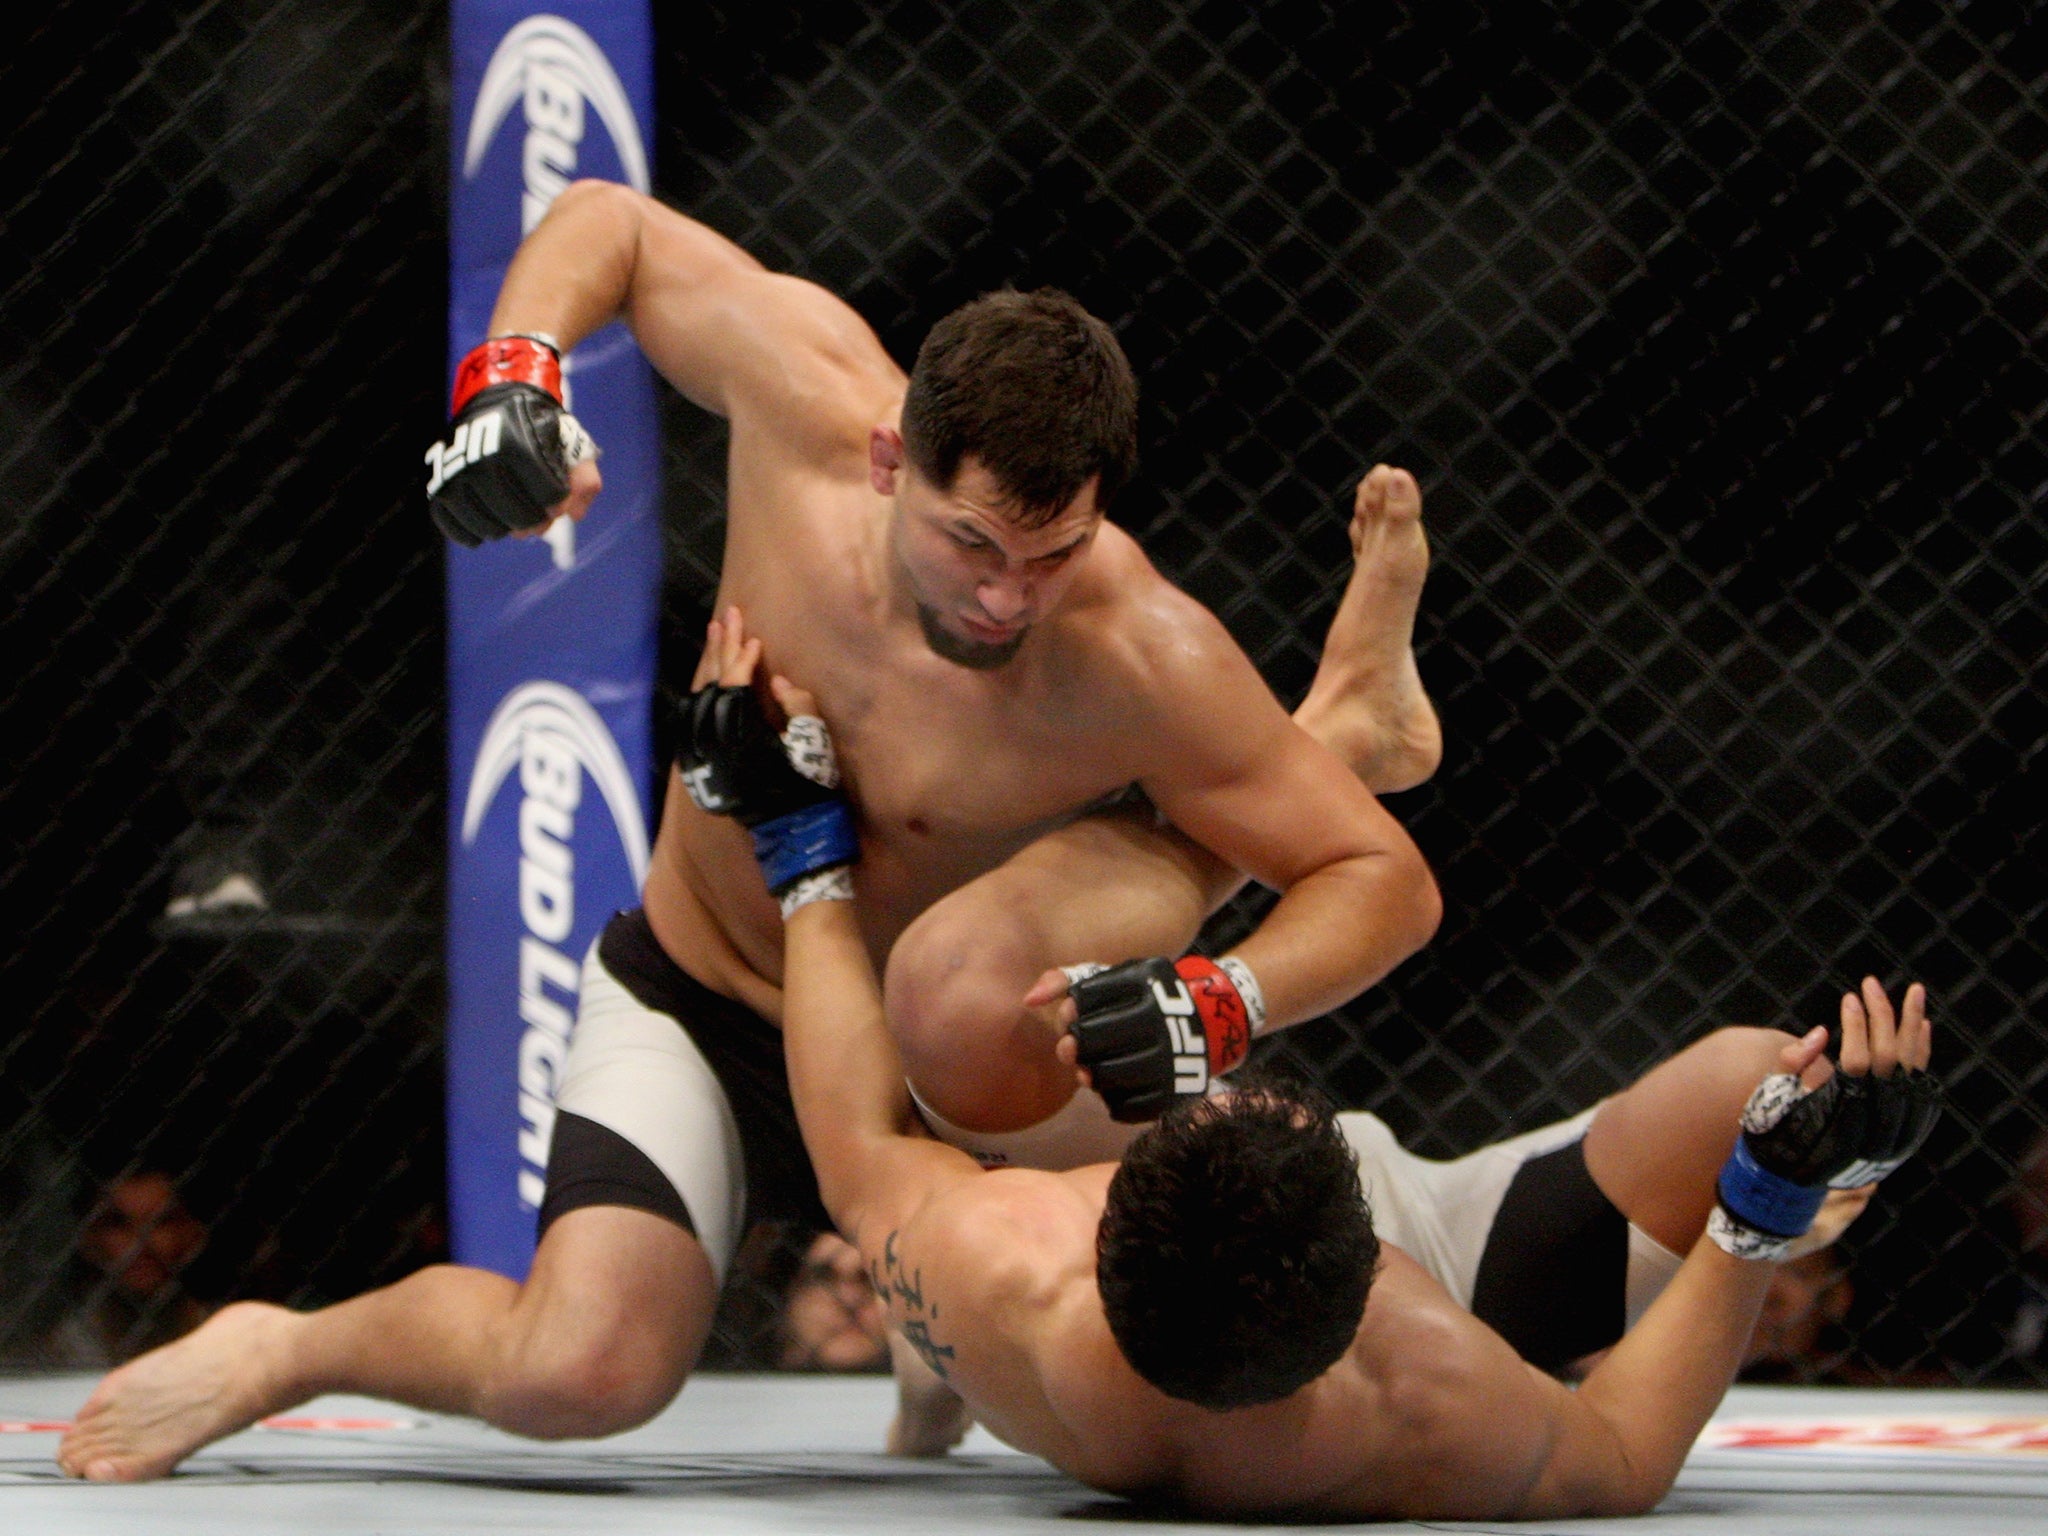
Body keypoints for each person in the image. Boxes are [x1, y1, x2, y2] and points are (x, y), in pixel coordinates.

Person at [59, 182, 1441, 1480]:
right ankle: (280, 1346)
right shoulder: (806, 402)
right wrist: (517, 371)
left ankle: (1342, 737)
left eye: (1053, 554)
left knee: (1186, 1306)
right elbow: (611, 224)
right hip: (711, 994)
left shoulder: (1138, 652)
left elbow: (1383, 875)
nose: (1010, 600)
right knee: (579, 1369)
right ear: (896, 456)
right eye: (974, 545)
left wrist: (1226, 997)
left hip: (939, 1058)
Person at [717, 637, 1940, 1519]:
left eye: (1205, 1118)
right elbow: (1622, 1457)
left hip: (1125, 1329)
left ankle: (1339, 731)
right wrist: (1770, 1208)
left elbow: (851, 1144)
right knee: (1756, 1085)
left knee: (954, 1003)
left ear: (1104, 1214)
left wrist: (801, 850)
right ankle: (1857, 1157)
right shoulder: (1426, 1391)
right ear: (1368, 1275)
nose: (1229, 1092)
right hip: (1433, 1291)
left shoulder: (1006, 1279)